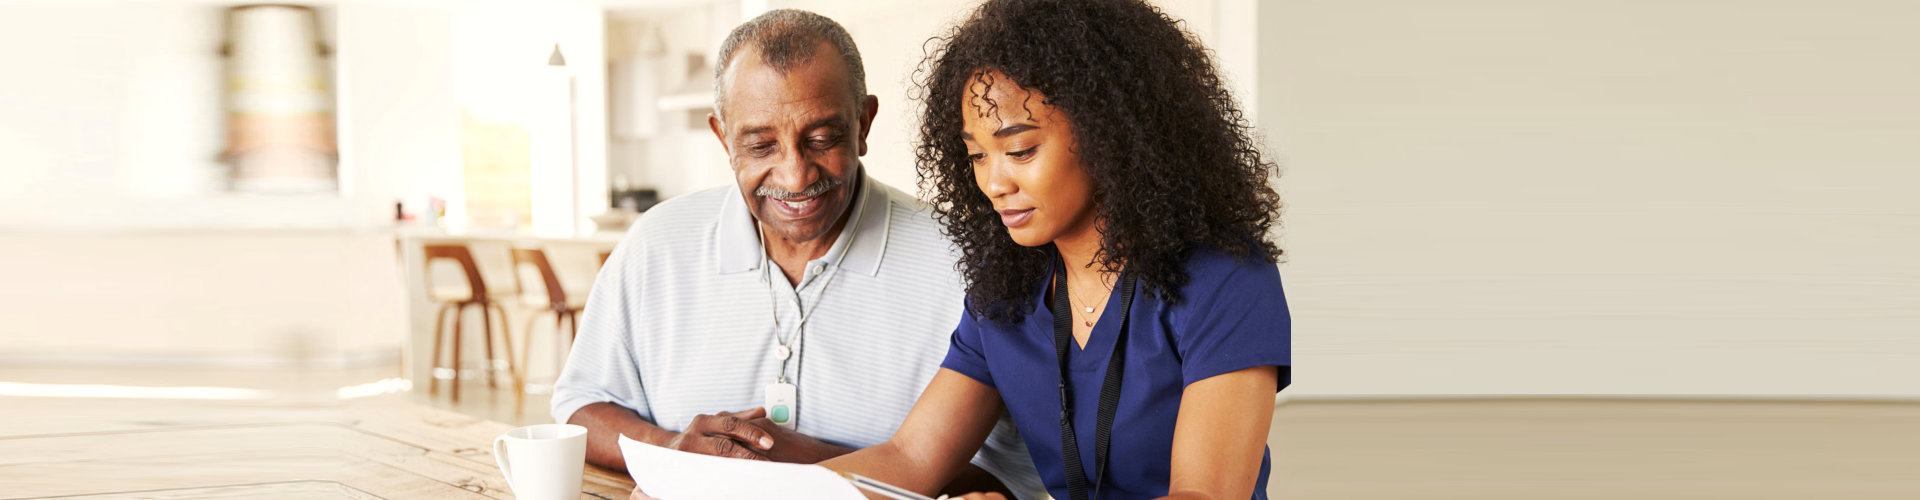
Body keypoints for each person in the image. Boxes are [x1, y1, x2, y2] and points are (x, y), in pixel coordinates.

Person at [554, 9, 1042, 499]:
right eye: (761, 145)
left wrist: (797, 464)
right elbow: (580, 405)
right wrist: (673, 448)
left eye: (822, 139)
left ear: (863, 124)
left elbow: (1011, 475)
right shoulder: (654, 243)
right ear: (724, 140)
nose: (795, 176)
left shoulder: (966, 260)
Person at [813, 0, 1292, 498]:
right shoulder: (1006, 290)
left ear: (1111, 133)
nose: (994, 182)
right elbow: (909, 458)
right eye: (977, 154)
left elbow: (1204, 495)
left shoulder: (1227, 278)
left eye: (1020, 150)